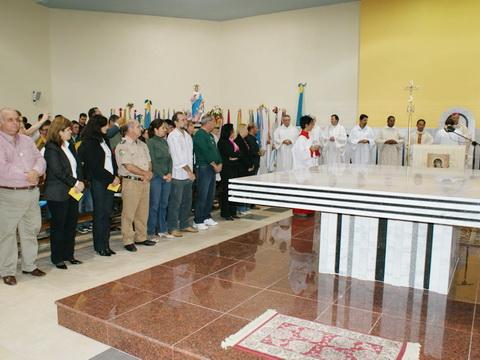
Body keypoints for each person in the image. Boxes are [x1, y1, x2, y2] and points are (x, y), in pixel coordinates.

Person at [0, 107, 47, 285]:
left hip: (31, 194)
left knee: (31, 230)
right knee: (7, 234)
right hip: (9, 194)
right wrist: (28, 174)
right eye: (10, 119)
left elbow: (40, 159)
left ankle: (29, 265)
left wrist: (36, 171)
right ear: (1, 122)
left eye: (17, 119)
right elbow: (3, 168)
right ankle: (7, 270)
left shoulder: (27, 140)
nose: (15, 123)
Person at [43, 116, 85, 269]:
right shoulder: (51, 147)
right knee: (58, 226)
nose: (71, 132)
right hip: (58, 192)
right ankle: (57, 257)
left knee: (70, 224)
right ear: (59, 132)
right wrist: (75, 182)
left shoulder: (70, 145)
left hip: (73, 191)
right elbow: (57, 171)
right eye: (68, 130)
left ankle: (69, 254)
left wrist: (80, 181)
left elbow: (77, 166)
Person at [78, 114, 120, 256]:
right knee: (100, 214)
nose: (108, 127)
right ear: (98, 126)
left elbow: (111, 159)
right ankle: (99, 245)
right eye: (105, 125)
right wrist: (111, 177)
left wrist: (116, 175)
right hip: (99, 181)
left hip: (109, 181)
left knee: (107, 214)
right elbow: (95, 166)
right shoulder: (90, 142)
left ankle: (106, 244)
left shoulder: (104, 139)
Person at [115, 120, 155, 252]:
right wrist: (145, 173)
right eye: (138, 126)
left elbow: (149, 161)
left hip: (144, 181)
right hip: (131, 182)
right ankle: (128, 240)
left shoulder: (142, 144)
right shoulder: (122, 146)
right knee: (129, 212)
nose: (141, 128)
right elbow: (128, 166)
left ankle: (141, 237)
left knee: (143, 212)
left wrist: (148, 173)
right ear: (130, 129)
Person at [167, 112, 197, 237]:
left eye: (185, 119)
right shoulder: (173, 136)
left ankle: (184, 224)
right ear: (175, 122)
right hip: (178, 174)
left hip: (188, 175)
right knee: (175, 202)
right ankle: (173, 227)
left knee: (187, 201)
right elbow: (177, 156)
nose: (185, 121)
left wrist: (191, 171)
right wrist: (189, 171)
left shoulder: (188, 136)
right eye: (182, 119)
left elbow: (190, 156)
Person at [192, 115, 222, 229]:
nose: (215, 124)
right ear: (208, 122)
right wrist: (214, 164)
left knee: (210, 194)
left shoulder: (210, 135)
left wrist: (220, 163)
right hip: (204, 167)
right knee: (202, 194)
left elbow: (215, 151)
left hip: (212, 168)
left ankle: (206, 216)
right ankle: (198, 219)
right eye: (214, 121)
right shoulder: (199, 135)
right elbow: (205, 152)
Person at [147, 119, 173, 239]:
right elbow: (152, 161)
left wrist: (169, 173)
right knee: (154, 205)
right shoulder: (150, 142)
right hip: (156, 177)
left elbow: (169, 159)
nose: (165, 130)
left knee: (164, 204)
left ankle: (162, 229)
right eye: (163, 128)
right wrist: (162, 174)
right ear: (156, 129)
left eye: (165, 128)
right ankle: (151, 231)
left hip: (166, 177)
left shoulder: (164, 142)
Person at [291, 115, 319, 217]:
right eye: (311, 124)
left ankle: (308, 209)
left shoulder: (309, 136)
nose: (313, 126)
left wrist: (314, 149)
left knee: (309, 189)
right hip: (302, 169)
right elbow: (298, 153)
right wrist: (310, 150)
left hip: (308, 167)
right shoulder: (301, 138)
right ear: (306, 125)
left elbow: (309, 149)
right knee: (302, 189)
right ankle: (301, 210)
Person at [217, 123, 240, 220]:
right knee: (227, 191)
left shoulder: (231, 141)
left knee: (233, 191)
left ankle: (233, 211)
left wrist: (235, 156)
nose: (233, 132)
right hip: (227, 169)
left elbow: (239, 153)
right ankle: (225, 213)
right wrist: (234, 156)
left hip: (233, 168)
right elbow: (230, 154)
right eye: (232, 130)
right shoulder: (222, 142)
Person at [235, 124, 254, 215]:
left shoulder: (245, 140)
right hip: (241, 167)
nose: (247, 131)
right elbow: (241, 155)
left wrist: (251, 164)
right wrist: (248, 164)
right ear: (241, 130)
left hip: (247, 167)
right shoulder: (238, 141)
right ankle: (241, 207)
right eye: (246, 129)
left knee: (246, 188)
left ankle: (246, 206)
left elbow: (249, 153)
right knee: (241, 188)